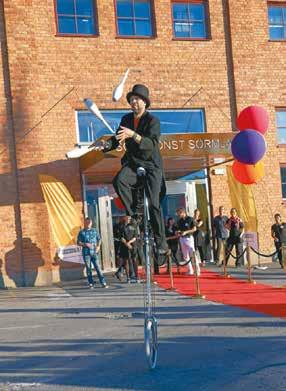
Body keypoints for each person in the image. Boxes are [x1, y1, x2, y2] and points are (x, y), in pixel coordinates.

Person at [91, 84, 168, 255]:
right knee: (119, 181)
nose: (133, 102)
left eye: (137, 99)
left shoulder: (152, 121)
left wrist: (133, 135)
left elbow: (151, 145)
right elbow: (117, 139)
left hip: (152, 165)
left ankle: (161, 241)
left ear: (145, 102)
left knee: (154, 203)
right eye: (131, 99)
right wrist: (105, 145)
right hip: (134, 163)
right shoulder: (126, 119)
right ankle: (135, 215)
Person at [77, 217, 108, 288]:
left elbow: (99, 239)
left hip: (94, 252)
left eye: (89, 223)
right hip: (86, 253)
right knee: (88, 268)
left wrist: (98, 246)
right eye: (86, 222)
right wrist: (85, 244)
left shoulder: (95, 231)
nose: (88, 224)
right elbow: (78, 242)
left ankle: (103, 282)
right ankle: (91, 283)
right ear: (84, 223)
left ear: (91, 223)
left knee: (98, 267)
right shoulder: (81, 232)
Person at [176, 208, 200, 276]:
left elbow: (194, 229)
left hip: (189, 238)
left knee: (193, 254)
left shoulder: (190, 219)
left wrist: (186, 232)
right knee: (185, 256)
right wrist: (178, 232)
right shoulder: (179, 221)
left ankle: (197, 270)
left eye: (179, 213)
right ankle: (190, 270)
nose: (178, 215)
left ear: (183, 212)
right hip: (182, 239)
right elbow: (179, 229)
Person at [116, 215, 138, 283]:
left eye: (129, 218)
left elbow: (135, 237)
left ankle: (136, 277)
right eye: (126, 217)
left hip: (133, 246)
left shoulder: (134, 226)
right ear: (124, 218)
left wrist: (130, 242)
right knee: (126, 262)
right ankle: (128, 278)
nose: (128, 219)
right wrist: (127, 244)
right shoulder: (121, 227)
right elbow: (121, 237)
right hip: (124, 246)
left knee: (134, 260)